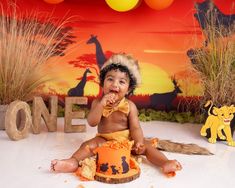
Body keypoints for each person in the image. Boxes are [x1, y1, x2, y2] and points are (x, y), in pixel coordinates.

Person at [51, 53, 182, 175]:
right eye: (110, 79)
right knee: (87, 145)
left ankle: (165, 163)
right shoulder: (98, 102)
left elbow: (135, 127)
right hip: (104, 140)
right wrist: (102, 104)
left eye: (121, 82)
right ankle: (72, 162)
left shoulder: (130, 106)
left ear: (129, 89)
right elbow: (92, 122)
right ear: (102, 83)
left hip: (127, 142)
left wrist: (138, 142)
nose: (115, 84)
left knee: (148, 147)